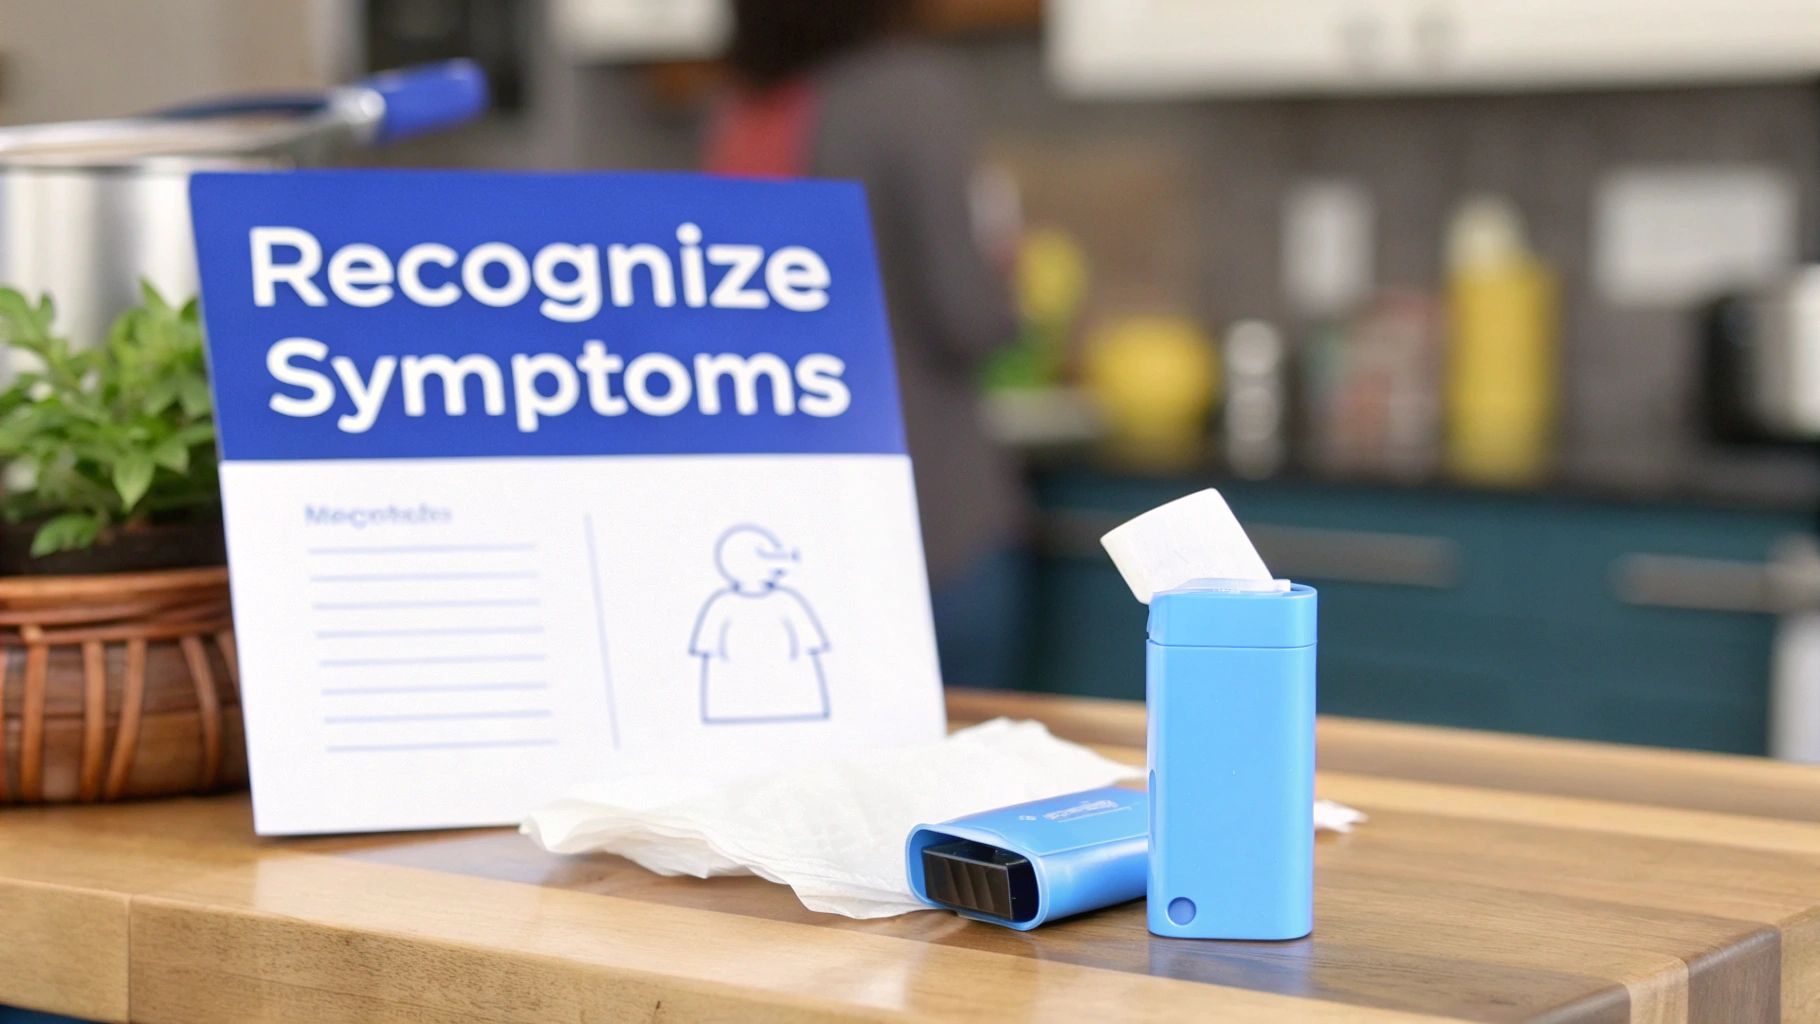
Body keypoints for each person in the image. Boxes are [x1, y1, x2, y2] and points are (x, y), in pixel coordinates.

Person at [704, 0, 1028, 689]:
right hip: (925, 520)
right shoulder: (910, 91)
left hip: (786, 517)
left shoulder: (740, 112)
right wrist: (1007, 276)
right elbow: (965, 313)